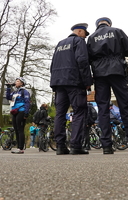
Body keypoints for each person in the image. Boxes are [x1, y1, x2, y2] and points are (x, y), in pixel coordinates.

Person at [87, 17, 128, 154]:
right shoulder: (117, 31)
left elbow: (87, 58)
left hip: (99, 74)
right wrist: (118, 54)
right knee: (125, 106)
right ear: (109, 23)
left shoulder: (92, 38)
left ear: (97, 25)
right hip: (117, 70)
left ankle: (106, 145)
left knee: (103, 109)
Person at [50, 23, 93, 155]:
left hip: (59, 83)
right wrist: (87, 82)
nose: (85, 38)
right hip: (74, 82)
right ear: (80, 31)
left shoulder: (60, 44)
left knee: (60, 114)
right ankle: (75, 145)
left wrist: (54, 84)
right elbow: (83, 61)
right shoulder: (78, 41)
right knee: (79, 111)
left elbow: (52, 65)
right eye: (85, 35)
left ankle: (60, 146)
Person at [6, 77, 31, 154]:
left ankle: (21, 148)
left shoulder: (25, 92)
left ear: (22, 83)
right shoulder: (14, 92)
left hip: (21, 111)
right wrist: (8, 88)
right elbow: (8, 97)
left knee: (20, 129)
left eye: (17, 81)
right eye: (16, 81)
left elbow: (27, 102)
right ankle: (18, 147)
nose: (15, 82)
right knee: (16, 129)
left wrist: (26, 113)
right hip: (14, 111)